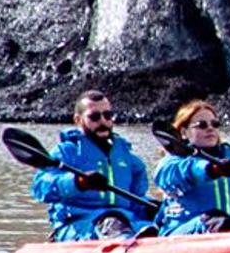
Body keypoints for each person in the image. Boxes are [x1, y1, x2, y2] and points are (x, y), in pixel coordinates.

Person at [32, 86, 154, 240]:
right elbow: (40, 188)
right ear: (78, 120)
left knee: (157, 220)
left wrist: (154, 208)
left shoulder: (128, 158)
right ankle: (127, 249)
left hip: (125, 219)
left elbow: (136, 199)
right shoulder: (66, 152)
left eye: (107, 115)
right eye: (94, 117)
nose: (103, 121)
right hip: (79, 223)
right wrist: (77, 182)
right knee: (112, 222)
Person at [149, 100, 230, 235]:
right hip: (183, 231)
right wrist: (211, 170)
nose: (210, 128)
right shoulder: (172, 163)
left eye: (215, 124)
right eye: (202, 125)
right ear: (184, 132)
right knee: (215, 221)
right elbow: (182, 173)